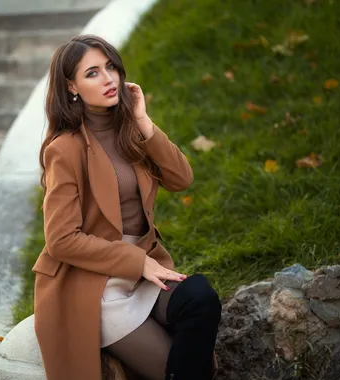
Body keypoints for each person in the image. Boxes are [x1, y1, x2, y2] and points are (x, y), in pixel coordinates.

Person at [32, 34, 222, 380]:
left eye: (111, 67)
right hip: (93, 287)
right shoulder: (65, 149)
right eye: (92, 73)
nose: (108, 79)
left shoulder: (129, 132)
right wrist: (137, 262)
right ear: (70, 86)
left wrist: (144, 122)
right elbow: (61, 240)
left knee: (200, 297)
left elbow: (181, 179)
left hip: (141, 274)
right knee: (179, 370)